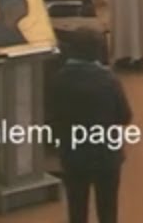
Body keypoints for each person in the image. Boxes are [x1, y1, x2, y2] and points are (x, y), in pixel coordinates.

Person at [48, 29, 132, 223]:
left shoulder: (59, 80)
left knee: (77, 208)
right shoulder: (109, 80)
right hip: (106, 155)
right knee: (108, 210)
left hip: (73, 153)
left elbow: (53, 116)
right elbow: (125, 116)